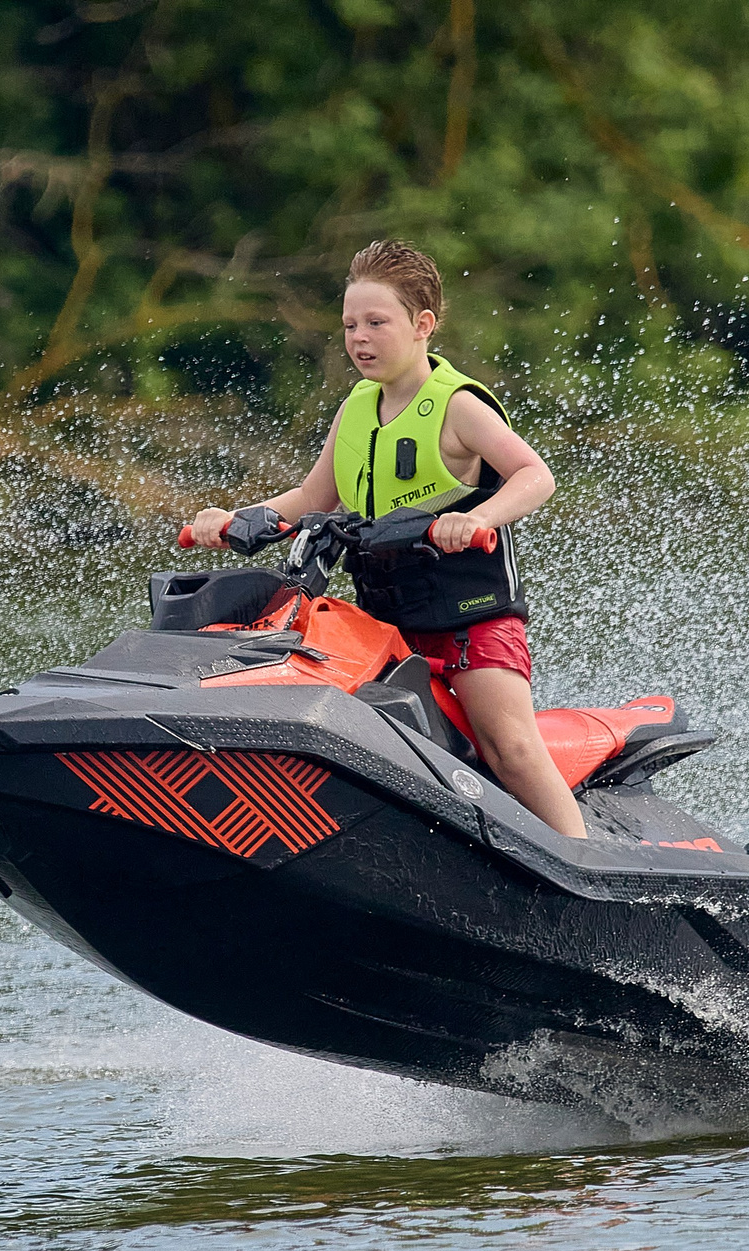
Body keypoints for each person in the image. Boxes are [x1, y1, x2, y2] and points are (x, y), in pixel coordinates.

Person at [183, 240, 586, 839]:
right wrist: (232, 519)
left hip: (470, 619)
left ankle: (583, 866)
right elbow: (312, 498)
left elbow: (536, 476)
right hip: (385, 625)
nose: (359, 338)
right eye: (350, 325)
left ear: (422, 325)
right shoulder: (355, 408)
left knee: (510, 747)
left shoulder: (458, 407)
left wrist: (478, 518)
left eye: (376, 323)